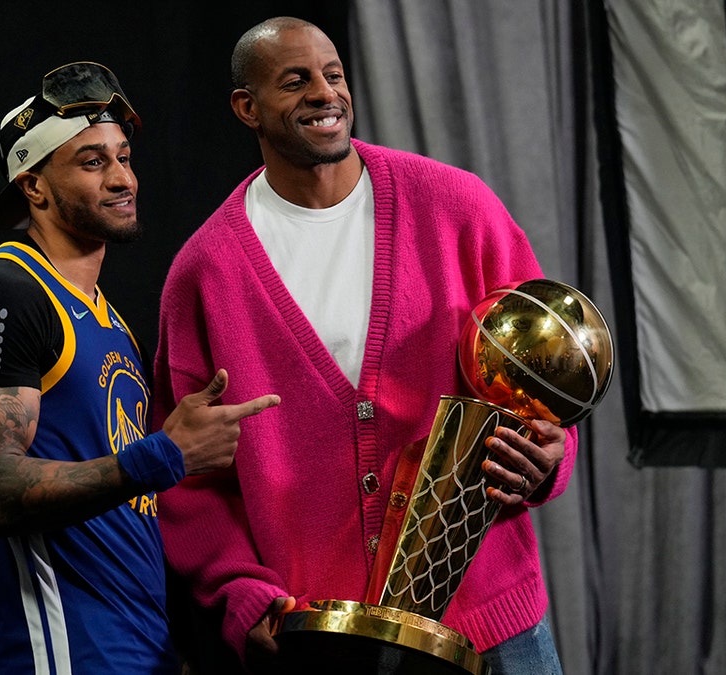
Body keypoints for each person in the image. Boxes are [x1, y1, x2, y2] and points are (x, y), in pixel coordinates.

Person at [151, 17, 576, 675]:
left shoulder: (459, 207)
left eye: (334, 75)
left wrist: (550, 453)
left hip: (494, 625)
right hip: (330, 640)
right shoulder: (206, 272)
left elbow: (543, 375)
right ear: (247, 108)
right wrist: (243, 594)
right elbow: (190, 479)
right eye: (296, 81)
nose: (325, 93)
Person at [0, 61, 280, 675]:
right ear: (34, 187)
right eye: (93, 163)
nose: (124, 178)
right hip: (63, 655)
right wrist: (166, 455)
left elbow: (128, 506)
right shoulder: (6, 293)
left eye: (124, 157)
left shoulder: (108, 321)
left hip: (137, 649)